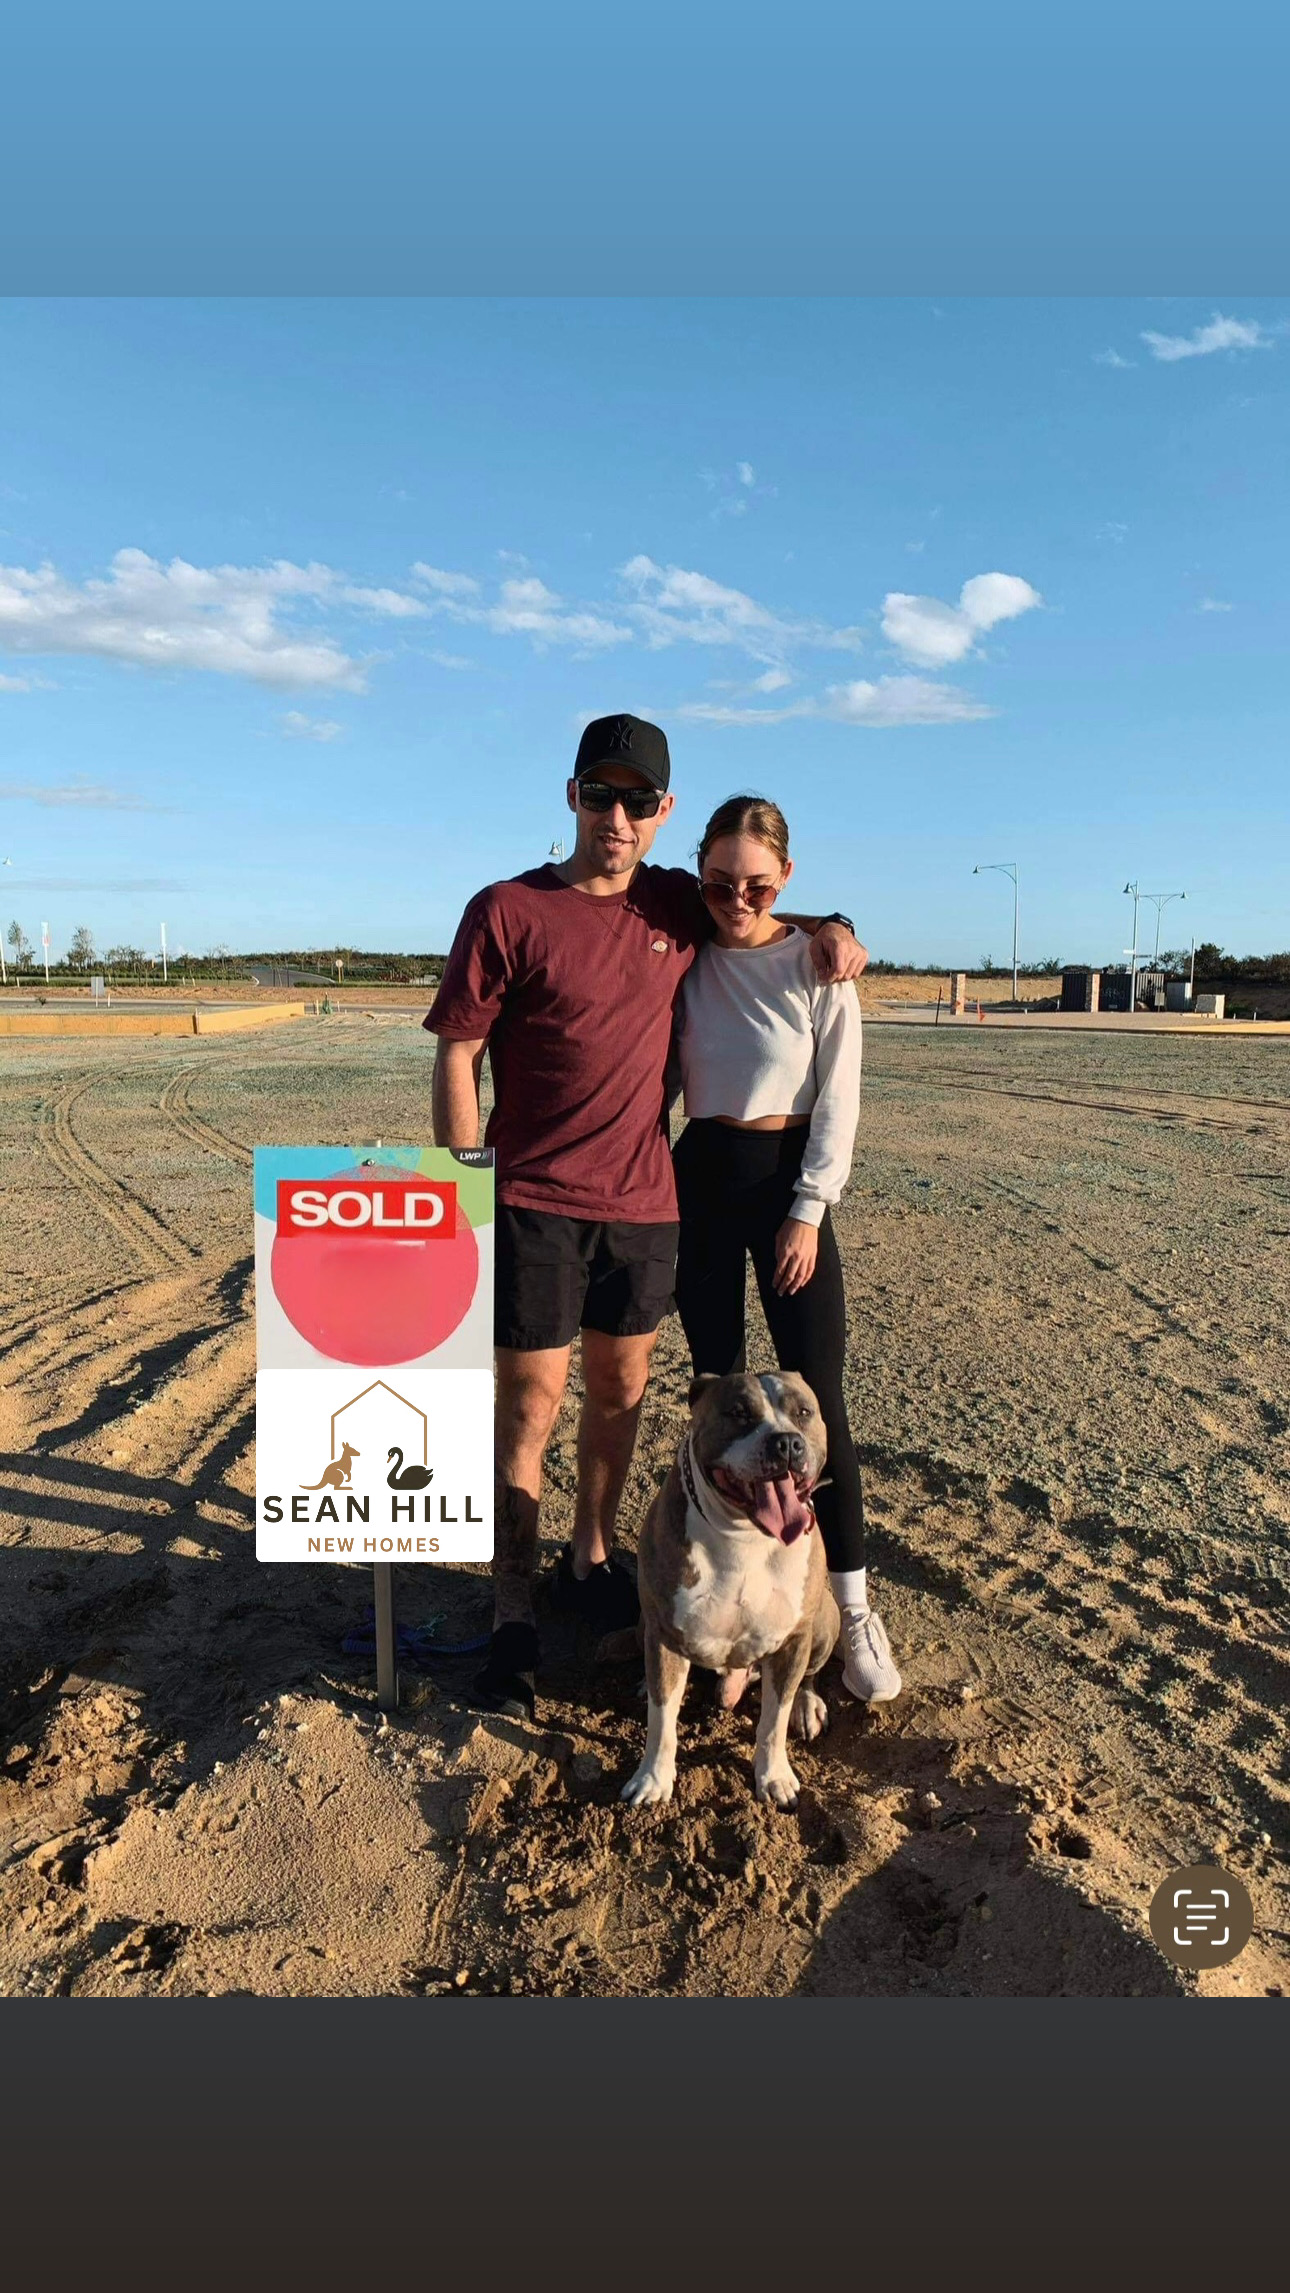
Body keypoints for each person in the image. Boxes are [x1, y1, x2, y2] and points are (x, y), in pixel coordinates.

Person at [425, 713, 866, 1719]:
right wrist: (464, 1185)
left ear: (661, 813)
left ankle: (589, 1555)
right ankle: (513, 1610)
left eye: (637, 801)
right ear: (571, 797)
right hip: (532, 1200)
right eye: (598, 795)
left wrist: (835, 928)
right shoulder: (505, 908)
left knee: (620, 1402)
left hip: (644, 1207)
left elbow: (760, 906)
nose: (616, 817)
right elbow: (458, 1049)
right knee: (530, 1408)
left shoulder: (679, 898)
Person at [671, 793, 901, 1704]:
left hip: (785, 1186)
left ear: (786, 879)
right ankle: (731, 1614)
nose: (737, 898)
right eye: (720, 881)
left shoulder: (818, 967)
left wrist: (807, 1209)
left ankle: (850, 1611)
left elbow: (838, 1099)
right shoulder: (686, 953)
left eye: (757, 884)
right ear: (701, 876)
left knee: (816, 1411)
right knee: (720, 1400)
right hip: (700, 1182)